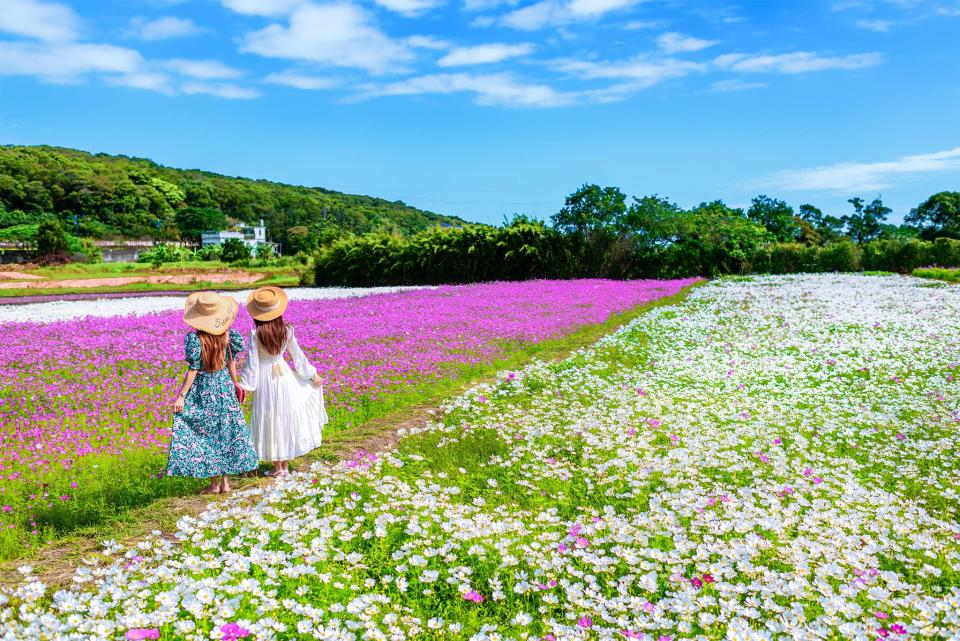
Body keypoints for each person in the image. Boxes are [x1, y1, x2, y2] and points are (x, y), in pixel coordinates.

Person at [167, 291, 259, 493]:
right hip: (224, 386)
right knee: (225, 433)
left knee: (206, 434)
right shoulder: (228, 335)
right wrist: (236, 385)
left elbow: (193, 369)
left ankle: (214, 485)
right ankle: (226, 484)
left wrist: (181, 395)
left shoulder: (194, 339)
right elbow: (231, 363)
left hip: (203, 388)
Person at [238, 286, 327, 477]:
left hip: (265, 379)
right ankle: (284, 466)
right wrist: (313, 375)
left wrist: (243, 385)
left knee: (270, 418)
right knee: (284, 415)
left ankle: (277, 467)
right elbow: (298, 357)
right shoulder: (287, 330)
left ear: (257, 314)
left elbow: (252, 365)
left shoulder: (255, 335)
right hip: (284, 377)